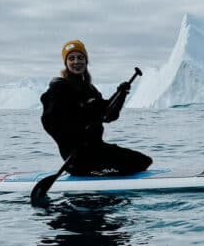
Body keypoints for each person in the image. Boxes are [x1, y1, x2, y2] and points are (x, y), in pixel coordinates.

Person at [40, 39, 152, 176]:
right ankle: (98, 174)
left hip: (96, 149)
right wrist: (75, 138)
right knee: (132, 165)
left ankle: (101, 173)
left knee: (144, 161)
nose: (76, 62)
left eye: (80, 57)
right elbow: (49, 122)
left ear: (86, 61)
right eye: (71, 58)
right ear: (66, 62)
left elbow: (109, 115)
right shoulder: (59, 87)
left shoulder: (90, 89)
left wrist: (121, 94)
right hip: (76, 157)